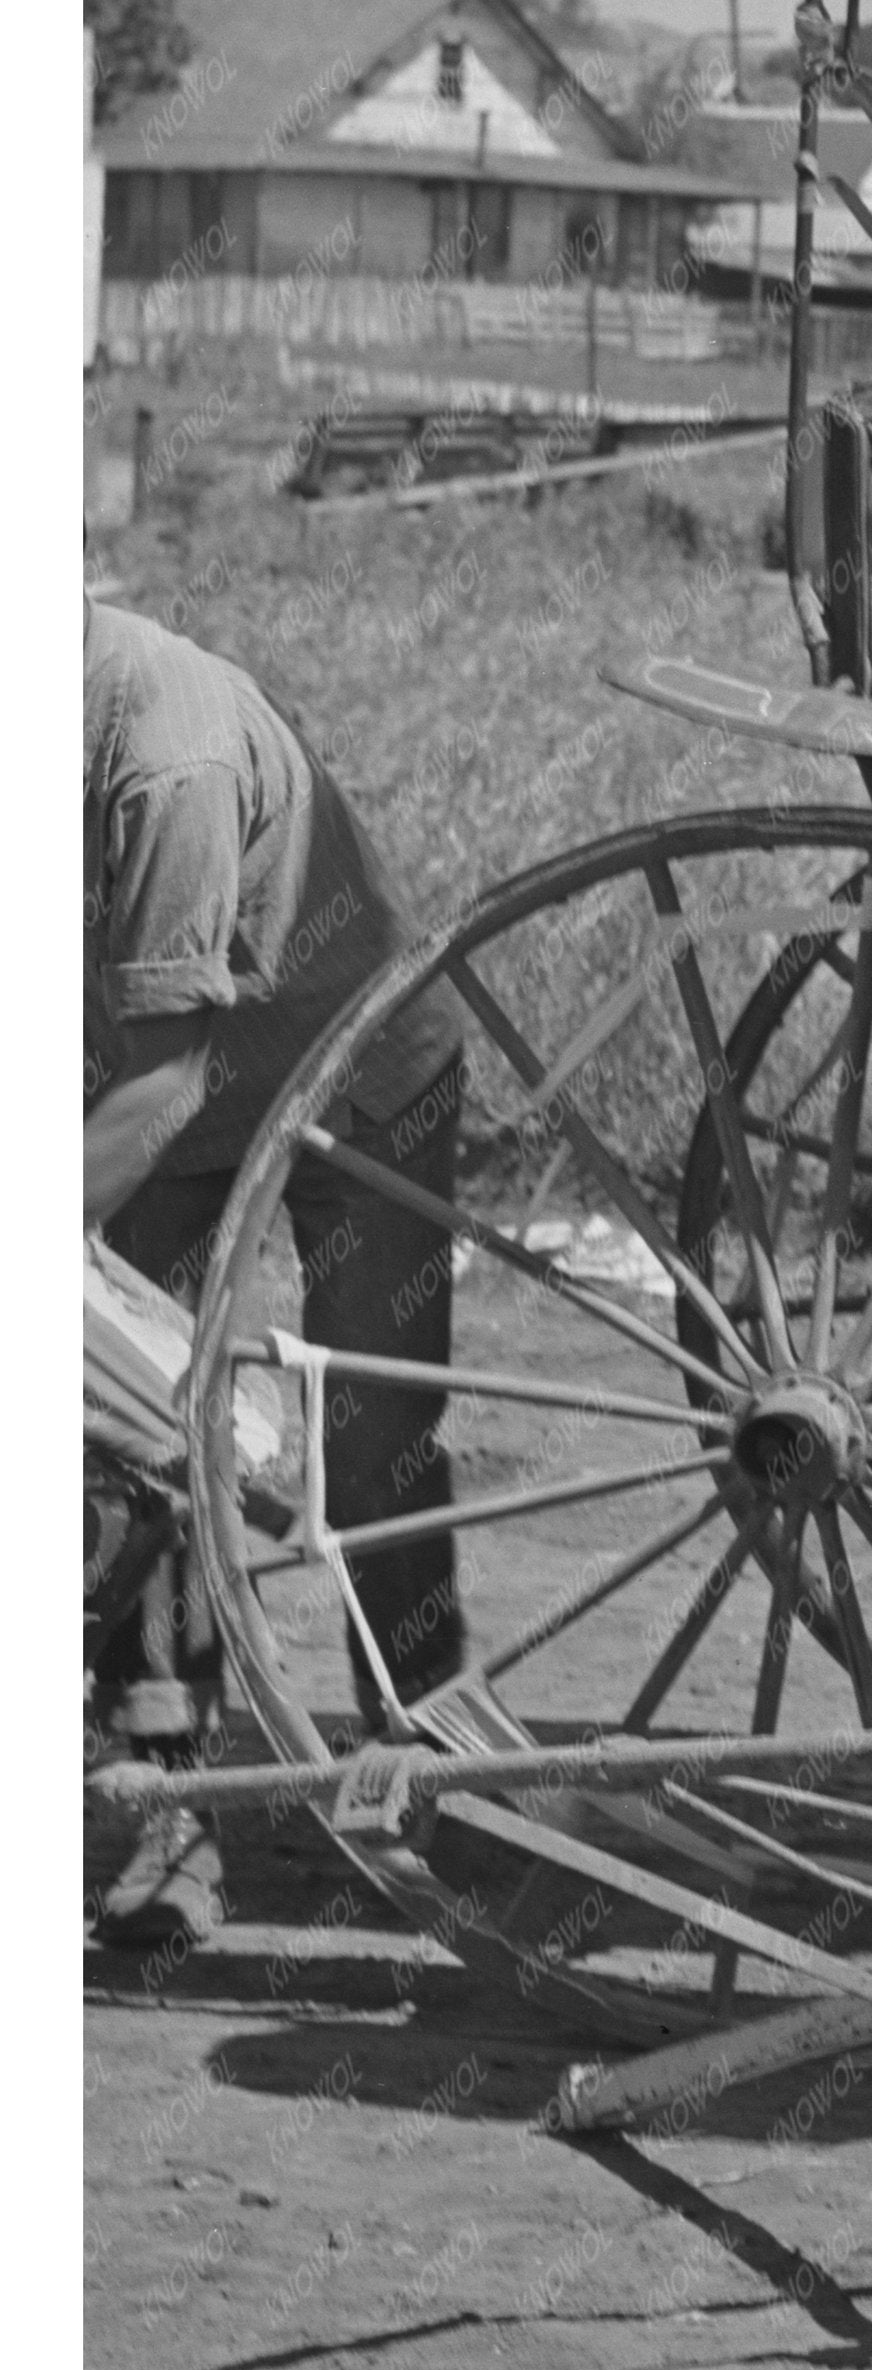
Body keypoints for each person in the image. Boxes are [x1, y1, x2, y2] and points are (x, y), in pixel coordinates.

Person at [83, 596, 469, 1950]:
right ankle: (174, 1818)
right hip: (153, 1089)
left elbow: (169, 1074)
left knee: (367, 1442)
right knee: (144, 1438)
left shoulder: (162, 751)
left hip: (353, 1078)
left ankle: (424, 1761)